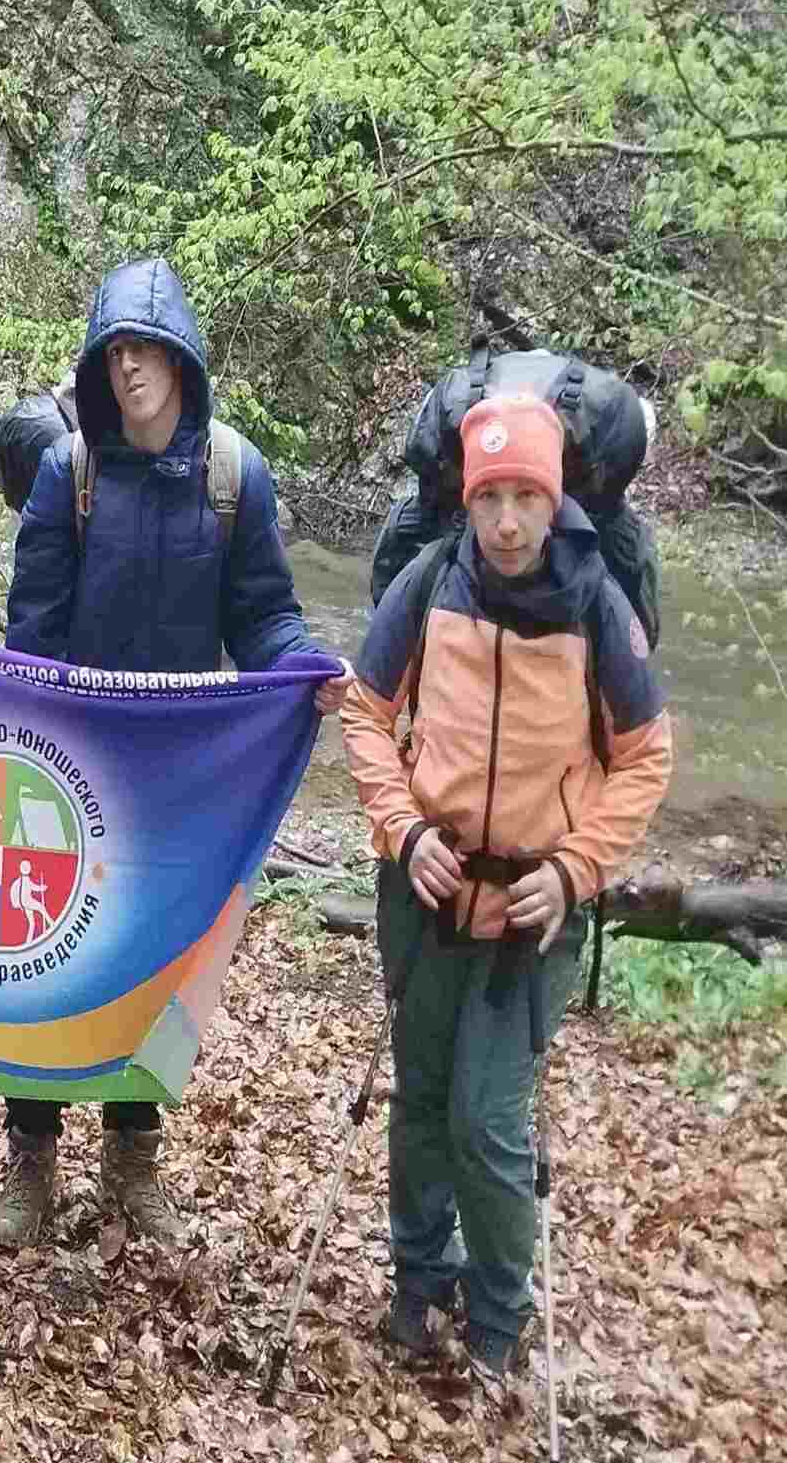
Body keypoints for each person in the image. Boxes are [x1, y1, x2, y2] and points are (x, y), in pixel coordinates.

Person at [0, 257, 346, 1246]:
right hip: (67, 767)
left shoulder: (233, 476)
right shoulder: (69, 474)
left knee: (158, 961)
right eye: (114, 352)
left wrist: (303, 666)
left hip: (178, 774)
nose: (129, 368)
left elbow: (263, 614)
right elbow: (32, 630)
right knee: (44, 956)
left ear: (182, 358)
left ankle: (132, 1157)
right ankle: (30, 1155)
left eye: (145, 349)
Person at [338, 395, 670, 1380]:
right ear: (467, 501)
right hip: (426, 890)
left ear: (554, 496)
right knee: (420, 1099)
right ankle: (418, 1273)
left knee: (485, 1120)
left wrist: (574, 870)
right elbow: (364, 710)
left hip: (532, 911)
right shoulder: (429, 583)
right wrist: (402, 831)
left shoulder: (595, 604)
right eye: (490, 498)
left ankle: (496, 1306)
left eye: (526, 496)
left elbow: (643, 757)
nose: (508, 522)